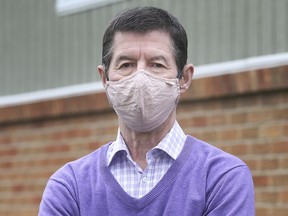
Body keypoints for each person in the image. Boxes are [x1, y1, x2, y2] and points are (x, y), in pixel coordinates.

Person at [39, 6, 254, 215]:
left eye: (157, 65)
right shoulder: (69, 187)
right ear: (104, 78)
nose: (140, 77)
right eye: (126, 64)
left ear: (184, 78)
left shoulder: (222, 178)